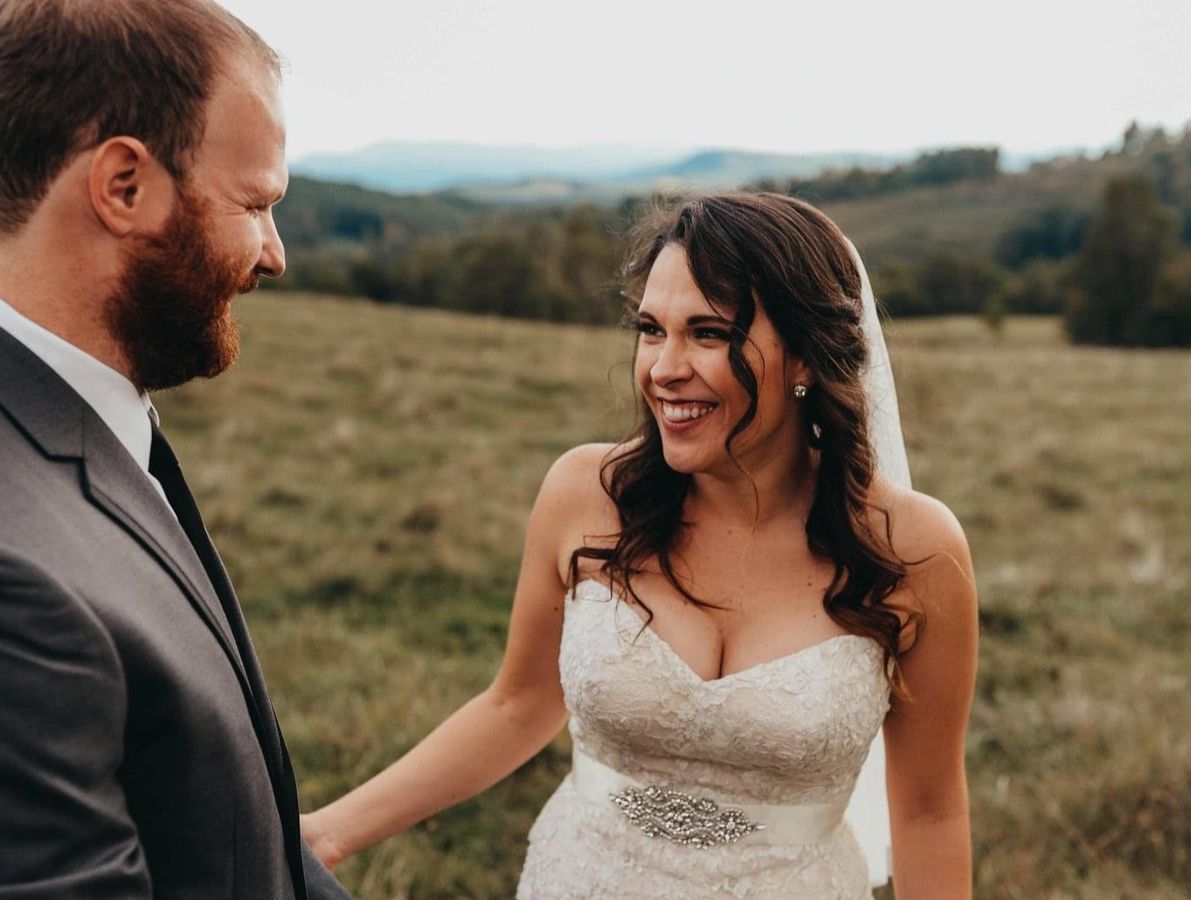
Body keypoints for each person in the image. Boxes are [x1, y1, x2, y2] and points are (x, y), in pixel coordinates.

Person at [303, 193, 979, 898]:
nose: (663, 368)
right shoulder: (584, 494)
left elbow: (930, 809)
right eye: (652, 330)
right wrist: (328, 834)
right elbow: (518, 704)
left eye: (709, 333)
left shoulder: (915, 552)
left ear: (807, 355)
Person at [0, 1, 349, 896]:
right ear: (123, 186)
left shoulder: (88, 417)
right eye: (255, 204)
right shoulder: (16, 581)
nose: (274, 256)